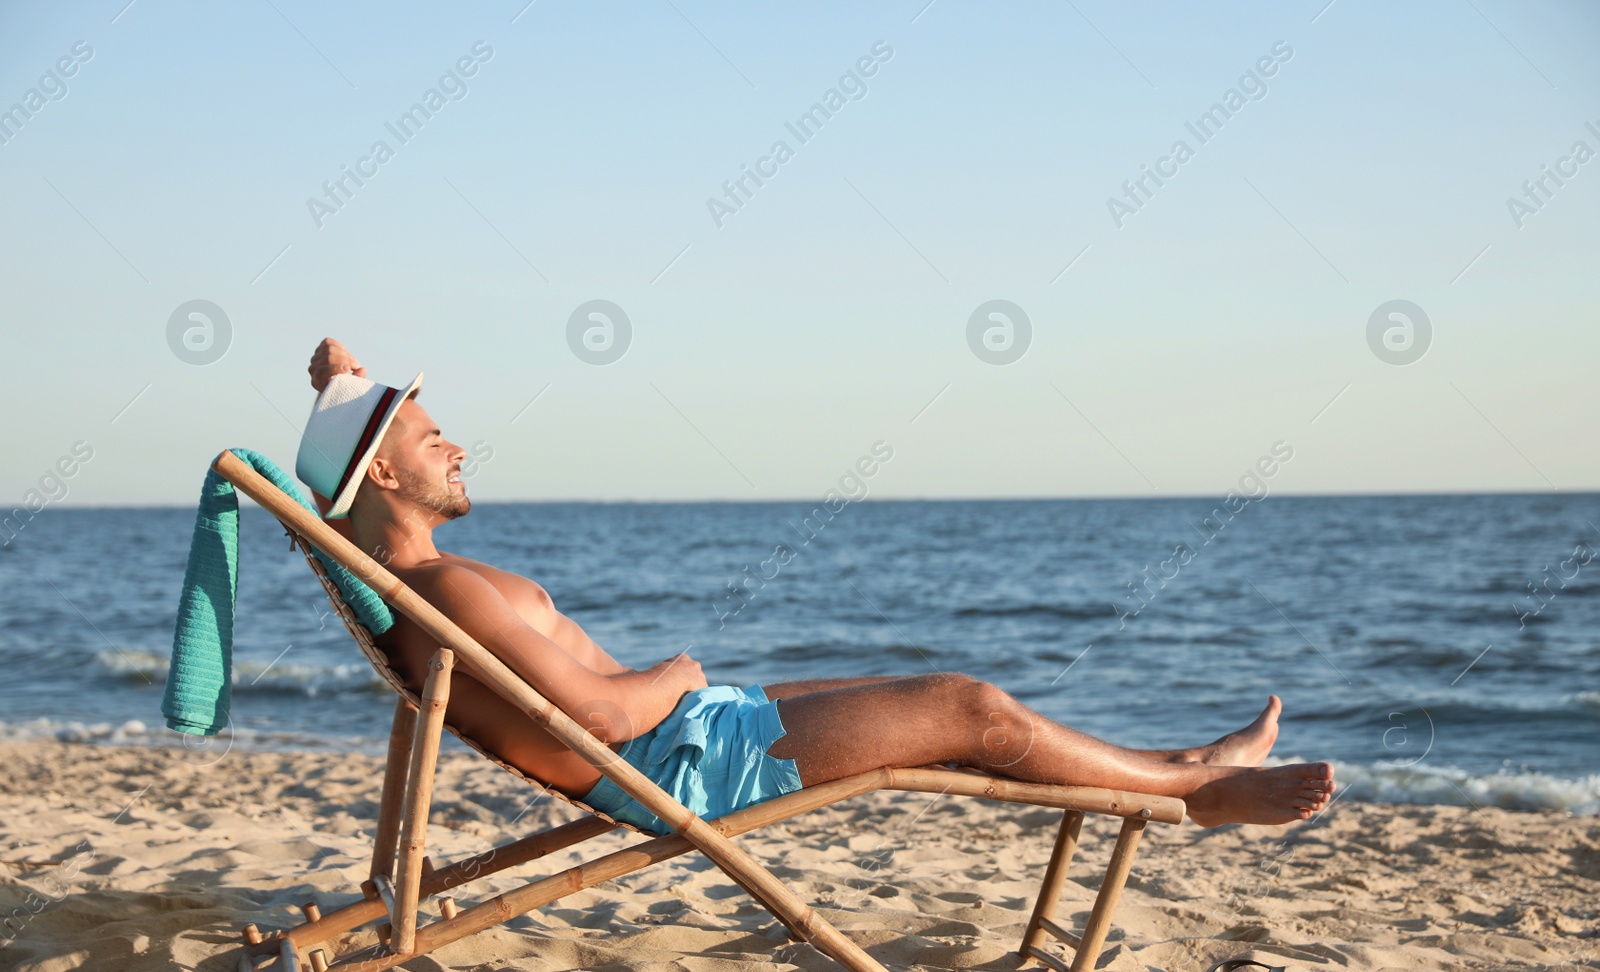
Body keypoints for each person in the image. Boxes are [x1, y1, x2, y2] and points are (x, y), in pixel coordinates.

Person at [297, 338, 1334, 831]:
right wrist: (679, 667)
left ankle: (1181, 768)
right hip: (679, 762)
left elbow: (344, 479)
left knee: (952, 705)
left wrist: (339, 390)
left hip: (687, 739)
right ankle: (1195, 787)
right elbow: (603, 712)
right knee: (966, 706)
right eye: (434, 439)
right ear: (383, 472)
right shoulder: (448, 593)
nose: (459, 447)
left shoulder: (413, 579)